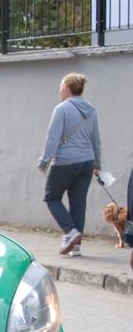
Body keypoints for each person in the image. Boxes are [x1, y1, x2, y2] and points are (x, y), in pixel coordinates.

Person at [38, 72, 100, 257]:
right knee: (78, 202)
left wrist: (44, 161)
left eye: (61, 87)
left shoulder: (62, 109)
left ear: (67, 88)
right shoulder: (91, 110)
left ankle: (71, 232)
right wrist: (97, 164)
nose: (59, 91)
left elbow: (52, 137)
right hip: (87, 162)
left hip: (65, 161)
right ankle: (76, 247)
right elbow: (96, 140)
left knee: (51, 198)